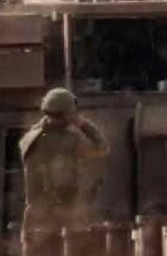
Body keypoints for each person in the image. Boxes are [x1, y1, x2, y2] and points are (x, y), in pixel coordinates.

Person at [19, 87, 109, 253]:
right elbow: (101, 147)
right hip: (64, 214)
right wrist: (83, 124)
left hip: (36, 216)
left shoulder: (30, 139)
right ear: (65, 114)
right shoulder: (69, 141)